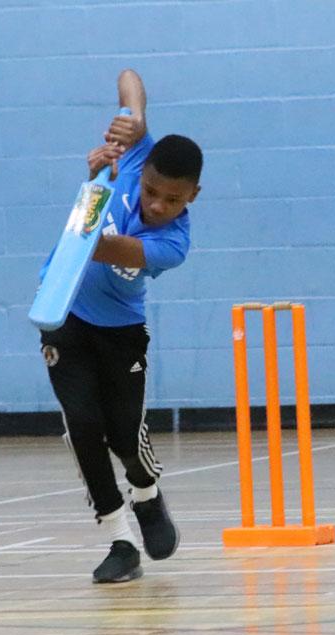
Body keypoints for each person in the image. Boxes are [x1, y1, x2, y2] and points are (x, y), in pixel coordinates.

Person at [36, 69, 203, 582]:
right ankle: (119, 537)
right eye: (151, 191)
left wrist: (91, 187)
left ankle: (147, 494)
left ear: (192, 197)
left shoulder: (173, 244)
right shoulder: (134, 155)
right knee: (83, 427)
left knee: (126, 436)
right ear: (143, 167)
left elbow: (99, 246)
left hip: (120, 331)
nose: (156, 205)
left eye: (171, 200)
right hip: (64, 315)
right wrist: (134, 122)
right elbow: (129, 78)